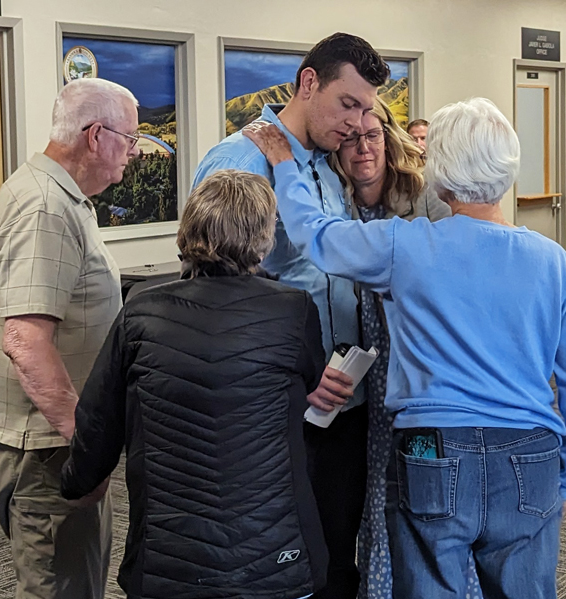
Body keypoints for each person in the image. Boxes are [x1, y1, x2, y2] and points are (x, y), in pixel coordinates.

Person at [244, 96, 566, 599]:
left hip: (430, 450)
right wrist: (564, 480)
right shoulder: (556, 264)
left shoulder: (406, 246)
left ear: (438, 175)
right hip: (530, 455)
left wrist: (285, 164)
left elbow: (316, 237)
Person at [60, 170, 329, 599]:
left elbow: (97, 421)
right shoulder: (293, 310)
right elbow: (310, 379)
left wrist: (75, 484)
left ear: (189, 229)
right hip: (274, 558)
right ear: (264, 236)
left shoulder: (140, 311)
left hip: (168, 561)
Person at [192, 32, 390, 599]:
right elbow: (213, 302)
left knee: (338, 554)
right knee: (291, 565)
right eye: (347, 104)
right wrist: (295, 376)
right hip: (285, 408)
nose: (356, 124)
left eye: (366, 110)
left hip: (345, 397)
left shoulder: (327, 167)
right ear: (308, 84)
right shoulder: (239, 162)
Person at [0, 78, 140, 598]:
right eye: (129, 139)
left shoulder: (62, 196)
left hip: (51, 439)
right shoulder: (45, 208)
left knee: (77, 578)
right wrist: (87, 447)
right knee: (61, 586)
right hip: (47, 448)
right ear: (95, 136)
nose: (133, 152)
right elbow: (25, 341)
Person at [328, 97, 476, 599]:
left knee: (428, 489)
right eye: (350, 139)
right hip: (364, 371)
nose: (363, 148)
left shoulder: (427, 198)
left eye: (372, 136)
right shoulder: (337, 204)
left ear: (388, 140)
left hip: (421, 370)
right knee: (378, 491)